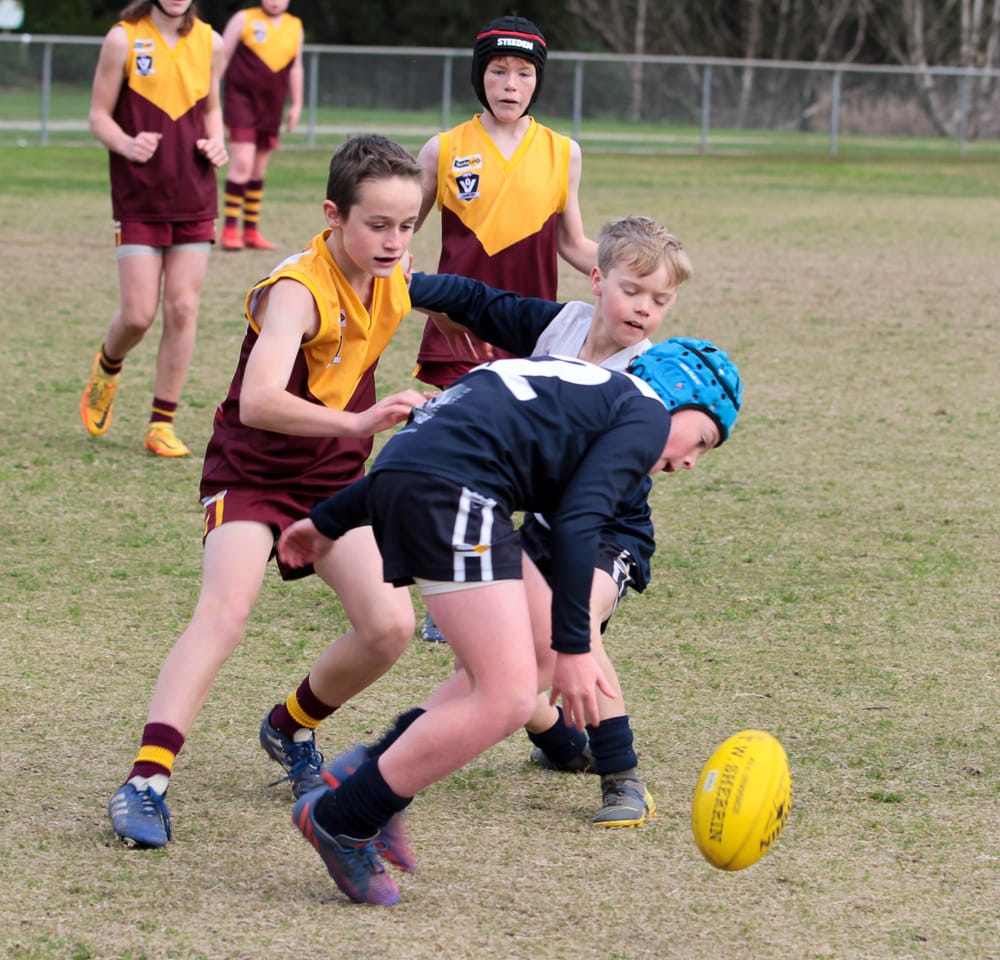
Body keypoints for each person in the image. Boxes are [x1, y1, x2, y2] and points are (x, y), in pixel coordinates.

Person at [277, 337, 743, 905]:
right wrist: (578, 647)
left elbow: (435, 440)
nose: (693, 459)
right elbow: (576, 524)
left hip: (435, 481)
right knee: (509, 696)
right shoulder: (645, 413)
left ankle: (371, 777)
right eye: (703, 438)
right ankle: (344, 819)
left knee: (538, 653)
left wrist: (329, 518)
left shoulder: (573, 384)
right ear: (679, 396)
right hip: (457, 493)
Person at [106, 133, 428, 848]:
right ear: (333, 215)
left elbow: (467, 305)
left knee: (391, 627)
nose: (393, 240)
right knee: (224, 613)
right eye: (377, 224)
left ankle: (291, 726)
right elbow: (257, 400)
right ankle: (145, 780)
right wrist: (358, 421)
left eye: (407, 225)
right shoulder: (297, 289)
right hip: (254, 474)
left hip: (333, 480)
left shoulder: (396, 274)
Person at [408, 214, 694, 829]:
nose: (644, 309)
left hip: (607, 530)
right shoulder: (558, 325)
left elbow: (607, 486)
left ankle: (623, 777)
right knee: (495, 666)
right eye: (632, 290)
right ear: (597, 279)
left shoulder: (651, 378)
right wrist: (396, 284)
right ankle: (563, 744)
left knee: (573, 625)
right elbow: (479, 302)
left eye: (660, 300)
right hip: (540, 524)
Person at [413, 14, 598, 641]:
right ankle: (447, 595)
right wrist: (422, 299)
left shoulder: (563, 153)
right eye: (498, 71)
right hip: (457, 331)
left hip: (531, 336)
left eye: (523, 73)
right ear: (480, 77)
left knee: (522, 465)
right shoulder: (443, 149)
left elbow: (574, 244)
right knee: (452, 464)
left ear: (537, 82)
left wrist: (631, 272)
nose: (510, 84)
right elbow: (396, 236)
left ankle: (502, 582)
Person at [81, 0, 228, 458]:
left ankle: (161, 423)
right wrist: (126, 142)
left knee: (183, 307)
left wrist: (216, 141)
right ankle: (108, 364)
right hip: (139, 197)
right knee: (138, 314)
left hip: (194, 194)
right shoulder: (122, 37)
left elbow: (212, 109)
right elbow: (98, 115)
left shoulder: (212, 41)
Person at [219, 0, 304, 251]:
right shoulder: (243, 19)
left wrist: (297, 104)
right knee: (242, 164)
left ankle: (251, 231)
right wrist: (208, 94)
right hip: (241, 102)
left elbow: (296, 67)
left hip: (272, 106)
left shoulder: (294, 25)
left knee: (258, 170)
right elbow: (220, 59)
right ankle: (230, 229)